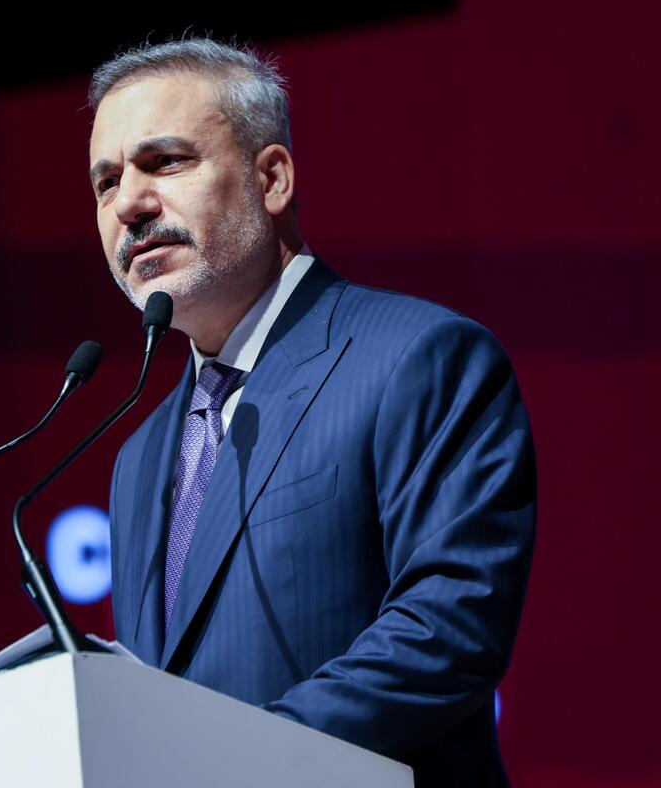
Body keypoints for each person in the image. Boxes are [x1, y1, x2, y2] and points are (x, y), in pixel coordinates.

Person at [90, 38, 535, 787]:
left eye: (165, 162)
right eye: (105, 182)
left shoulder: (418, 358)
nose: (128, 203)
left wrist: (242, 762)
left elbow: (449, 628)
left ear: (272, 178)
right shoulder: (139, 457)